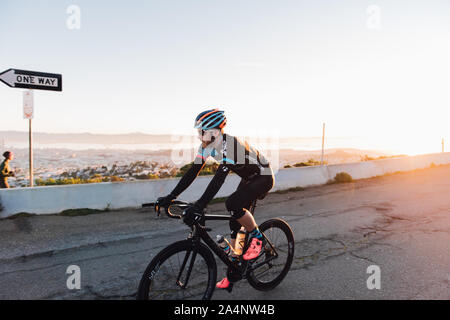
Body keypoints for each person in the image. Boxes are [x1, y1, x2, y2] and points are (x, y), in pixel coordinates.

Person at [156, 109, 274, 289]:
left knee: (232, 204)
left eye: (201, 132)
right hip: (249, 178)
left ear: (214, 131)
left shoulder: (231, 145)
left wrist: (200, 205)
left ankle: (258, 238)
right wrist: (171, 196)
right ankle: (236, 265)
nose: (199, 136)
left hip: (263, 177)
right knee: (235, 222)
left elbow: (219, 178)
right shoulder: (207, 146)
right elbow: (193, 171)